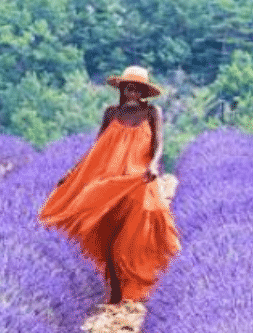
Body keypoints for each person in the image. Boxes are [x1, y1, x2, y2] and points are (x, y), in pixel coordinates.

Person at [38, 65, 182, 304]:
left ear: (143, 91)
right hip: (108, 176)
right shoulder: (111, 113)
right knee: (92, 220)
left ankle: (143, 284)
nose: (131, 92)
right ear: (122, 89)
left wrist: (154, 166)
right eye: (127, 88)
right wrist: (74, 172)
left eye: (136, 89)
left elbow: (158, 144)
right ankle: (102, 288)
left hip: (138, 177)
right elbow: (98, 147)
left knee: (146, 218)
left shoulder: (152, 112)